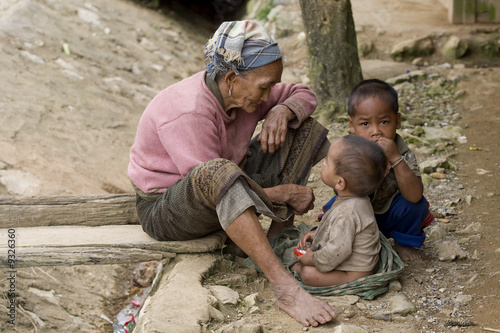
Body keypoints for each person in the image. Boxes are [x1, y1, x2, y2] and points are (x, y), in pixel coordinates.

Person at [128, 20, 336, 327]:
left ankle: (271, 243)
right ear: (230, 78)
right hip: (168, 210)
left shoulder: (246, 92)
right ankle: (284, 287)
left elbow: (302, 93)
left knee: (304, 127)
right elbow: (215, 184)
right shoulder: (189, 111)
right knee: (218, 172)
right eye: (264, 86)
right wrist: (284, 193)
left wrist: (283, 110)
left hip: (225, 180)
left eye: (270, 87)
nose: (267, 95)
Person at [323, 79, 434, 262]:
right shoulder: (350, 150)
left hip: (392, 215)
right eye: (365, 124)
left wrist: (395, 159)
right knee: (334, 206)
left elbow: (414, 195)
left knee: (415, 206)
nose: (376, 132)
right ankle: (346, 242)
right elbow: (338, 187)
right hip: (359, 211)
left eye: (384, 122)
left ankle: (403, 242)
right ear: (352, 125)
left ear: (397, 121)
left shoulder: (402, 152)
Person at [290, 135, 387, 287]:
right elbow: (342, 234)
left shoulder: (347, 213)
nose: (323, 163)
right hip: (352, 262)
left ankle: (296, 269)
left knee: (308, 273)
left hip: (354, 273)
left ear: (340, 182)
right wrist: (316, 234)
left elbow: (337, 251)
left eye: (327, 162)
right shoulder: (354, 199)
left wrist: (312, 258)